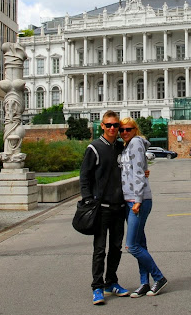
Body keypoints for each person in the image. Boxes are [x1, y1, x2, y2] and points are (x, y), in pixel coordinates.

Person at [79, 110, 130, 305]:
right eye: (108, 125)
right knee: (100, 249)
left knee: (116, 247)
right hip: (101, 207)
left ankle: (111, 282)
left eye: (115, 125)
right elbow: (84, 177)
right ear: (102, 126)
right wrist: (88, 200)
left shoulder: (121, 147)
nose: (112, 128)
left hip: (119, 207)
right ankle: (97, 287)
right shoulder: (94, 148)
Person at [119, 117, 168, 298]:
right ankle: (144, 283)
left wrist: (138, 200)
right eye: (122, 130)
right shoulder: (126, 146)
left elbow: (139, 172)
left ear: (135, 130)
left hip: (137, 200)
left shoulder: (135, 143)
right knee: (140, 243)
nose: (124, 132)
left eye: (128, 129)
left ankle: (159, 277)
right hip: (129, 199)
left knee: (132, 246)